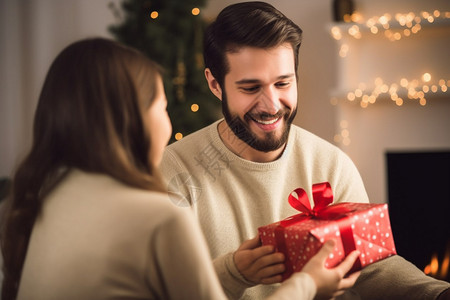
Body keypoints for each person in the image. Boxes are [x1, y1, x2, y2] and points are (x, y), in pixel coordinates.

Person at [0, 37, 362, 300]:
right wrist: (310, 284)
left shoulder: (44, 197)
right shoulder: (156, 215)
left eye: (283, 82)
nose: (168, 120)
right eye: (161, 107)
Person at [159, 2, 450, 300]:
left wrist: (438, 294)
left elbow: (371, 268)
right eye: (250, 88)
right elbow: (163, 290)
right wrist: (232, 273)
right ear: (215, 84)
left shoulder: (332, 164)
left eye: (283, 83)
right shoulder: (174, 169)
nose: (271, 105)